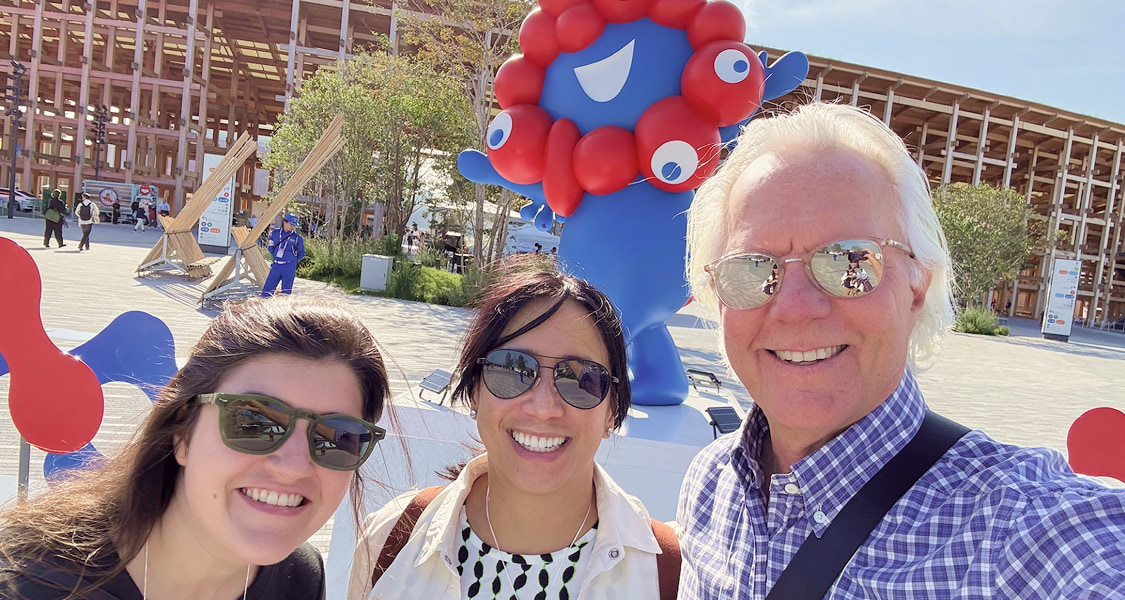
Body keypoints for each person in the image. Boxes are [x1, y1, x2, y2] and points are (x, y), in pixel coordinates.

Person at [678, 102, 1125, 598]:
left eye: (849, 260)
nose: (795, 308)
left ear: (916, 285)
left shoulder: (1017, 533)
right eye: (752, 268)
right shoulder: (710, 484)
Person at [0, 295, 391, 600]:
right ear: (182, 431)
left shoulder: (299, 579)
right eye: (253, 421)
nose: (292, 466)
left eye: (337, 437)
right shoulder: (28, 581)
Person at [347, 258, 678, 600]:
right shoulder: (392, 539)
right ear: (474, 391)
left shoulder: (668, 573)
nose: (543, 407)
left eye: (581, 379)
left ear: (612, 411)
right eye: (511, 369)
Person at [261, 214, 306, 298]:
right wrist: (276, 256)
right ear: (284, 222)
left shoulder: (297, 238)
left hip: (289, 266)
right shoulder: (275, 233)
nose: (293, 227)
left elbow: (302, 253)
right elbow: (271, 247)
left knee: (286, 292)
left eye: (294, 225)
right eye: (291, 224)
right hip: (276, 265)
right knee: (267, 290)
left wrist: (292, 259)